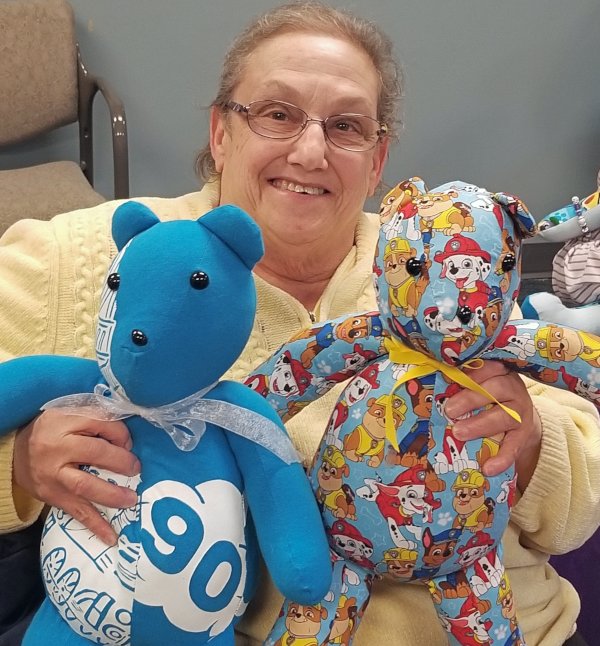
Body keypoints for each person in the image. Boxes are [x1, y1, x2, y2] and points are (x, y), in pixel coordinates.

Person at [0, 2, 598, 645]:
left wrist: (533, 446)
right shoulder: (89, 257)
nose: (311, 151)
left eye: (346, 126)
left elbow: (579, 504)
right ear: (220, 133)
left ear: (376, 161)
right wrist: (20, 468)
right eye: (277, 114)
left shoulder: (450, 274)